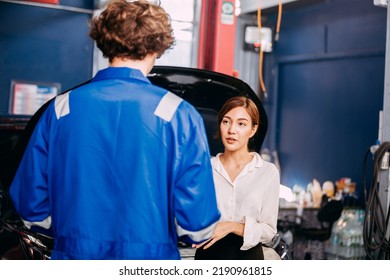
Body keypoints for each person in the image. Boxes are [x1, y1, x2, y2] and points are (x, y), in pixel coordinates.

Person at [9, 0, 220, 260]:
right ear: (158, 47)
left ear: (104, 41)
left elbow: (30, 205)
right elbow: (197, 226)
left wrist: (71, 231)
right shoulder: (178, 113)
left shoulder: (62, 108)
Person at [193, 96, 280, 260]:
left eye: (241, 124)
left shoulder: (268, 172)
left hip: (248, 259)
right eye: (226, 121)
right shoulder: (203, 168)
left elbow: (269, 232)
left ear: (253, 130)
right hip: (207, 255)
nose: (232, 130)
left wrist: (231, 227)